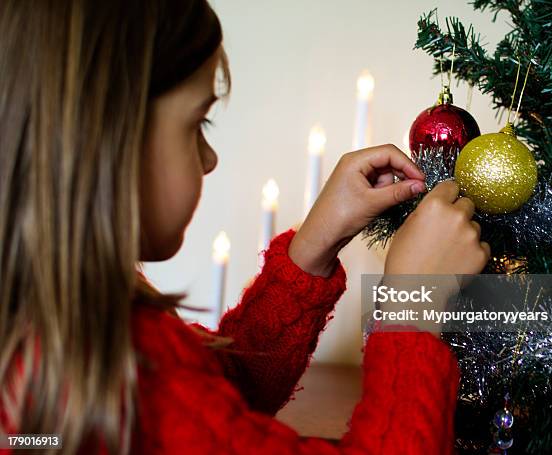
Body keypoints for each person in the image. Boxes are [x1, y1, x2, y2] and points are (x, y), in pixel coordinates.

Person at [0, 0, 490, 453]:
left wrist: (310, 250)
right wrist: (413, 307)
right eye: (197, 125)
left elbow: (215, 404)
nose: (209, 158)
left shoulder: (51, 337)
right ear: (105, 143)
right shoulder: (118, 373)